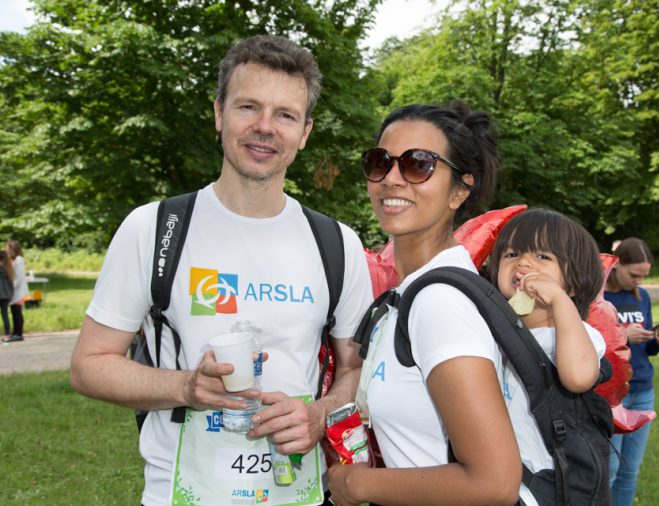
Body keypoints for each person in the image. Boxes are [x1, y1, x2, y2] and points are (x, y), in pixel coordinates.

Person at [69, 35, 373, 506]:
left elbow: (355, 369)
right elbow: (89, 366)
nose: (265, 127)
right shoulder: (155, 228)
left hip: (301, 496)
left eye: (285, 115)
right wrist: (186, 387)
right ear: (218, 113)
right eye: (248, 107)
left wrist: (322, 413)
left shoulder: (337, 243)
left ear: (305, 132)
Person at [328, 102, 523, 506]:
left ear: (459, 190)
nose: (392, 179)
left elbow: (494, 482)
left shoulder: (440, 303)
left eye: (418, 165)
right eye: (380, 162)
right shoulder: (412, 294)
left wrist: (356, 486)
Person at [488, 207, 608, 502]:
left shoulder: (570, 336)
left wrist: (558, 300)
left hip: (545, 487)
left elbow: (579, 377)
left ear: (575, 283)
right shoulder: (491, 334)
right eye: (512, 254)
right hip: (499, 480)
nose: (524, 262)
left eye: (543, 257)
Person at [604, 237, 659, 506]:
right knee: (609, 470)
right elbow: (592, 345)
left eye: (644, 276)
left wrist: (657, 342)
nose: (639, 282)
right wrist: (623, 335)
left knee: (630, 470)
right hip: (613, 392)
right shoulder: (600, 296)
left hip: (643, 388)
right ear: (616, 265)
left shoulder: (641, 297)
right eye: (634, 275)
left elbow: (646, 349)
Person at [3, 239, 28, 343]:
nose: (5, 249)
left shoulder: (18, 260)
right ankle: (15, 332)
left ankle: (18, 333)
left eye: (7, 247)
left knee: (17, 312)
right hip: (15, 290)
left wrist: (12, 287)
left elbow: (19, 276)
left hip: (18, 290)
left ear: (13, 249)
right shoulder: (14, 259)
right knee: (14, 311)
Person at [0, 249, 13, 339]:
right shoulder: (9, 268)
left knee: (4, 313)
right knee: (5, 313)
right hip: (7, 294)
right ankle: (8, 332)